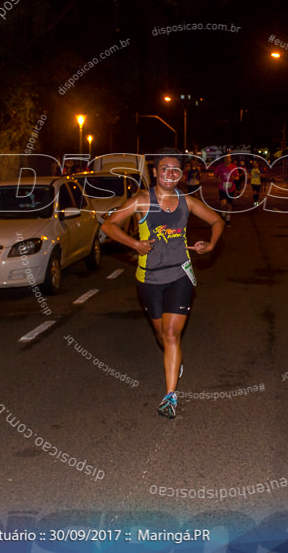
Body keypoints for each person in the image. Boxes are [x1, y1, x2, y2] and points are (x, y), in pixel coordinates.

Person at [102, 148, 224, 419]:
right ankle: (175, 359)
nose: (171, 174)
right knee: (161, 335)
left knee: (171, 334)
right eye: (165, 169)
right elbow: (108, 226)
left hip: (180, 273)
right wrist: (135, 244)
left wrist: (211, 244)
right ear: (155, 172)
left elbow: (216, 220)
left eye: (176, 170)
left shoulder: (187, 201)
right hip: (149, 278)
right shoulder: (142, 201)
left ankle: (170, 396)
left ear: (181, 174)